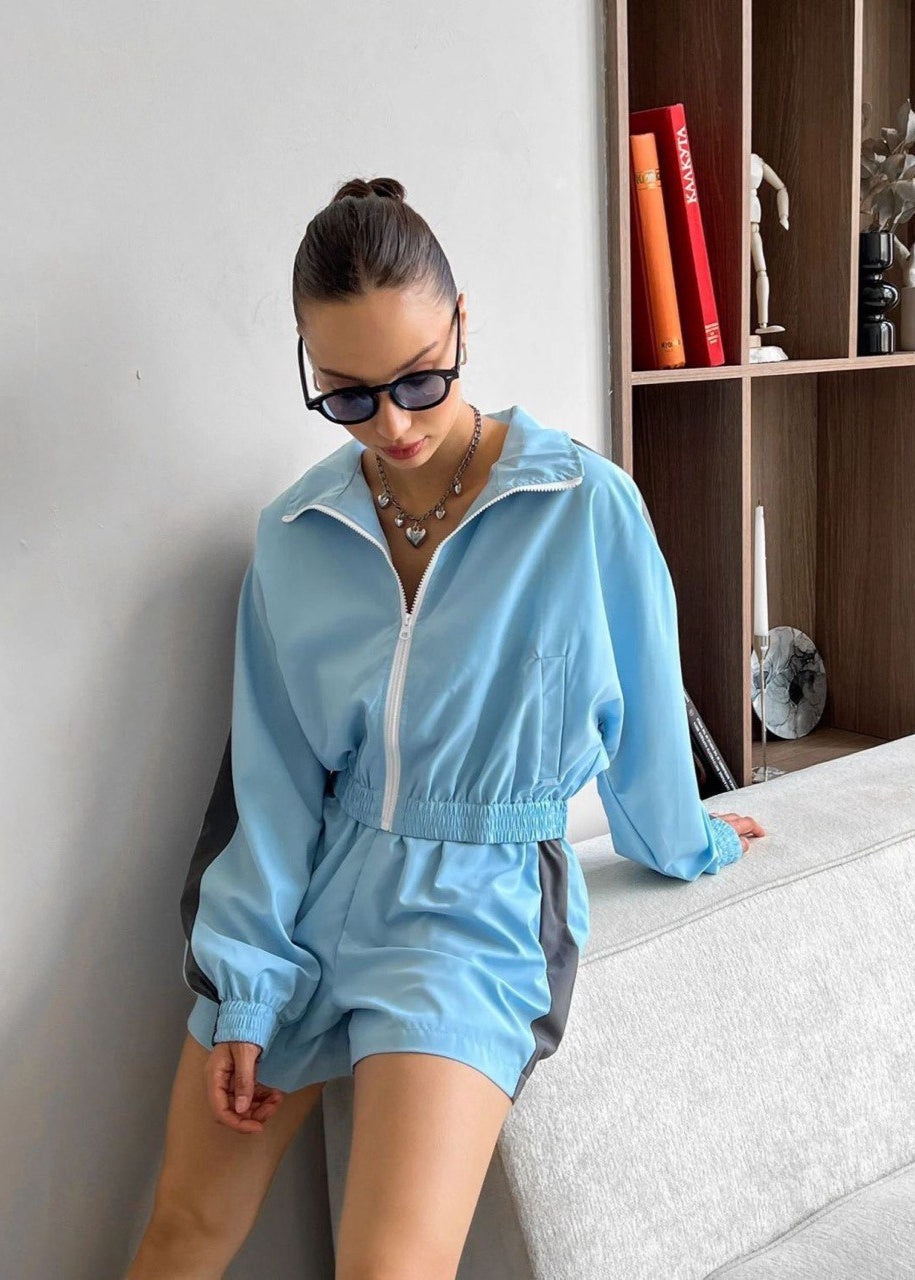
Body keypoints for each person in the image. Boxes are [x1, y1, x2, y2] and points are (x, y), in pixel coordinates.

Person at [127, 175, 765, 1280]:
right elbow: (270, 789)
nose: (394, 424)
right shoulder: (296, 533)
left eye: (420, 378)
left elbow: (648, 729)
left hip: (477, 905)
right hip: (314, 895)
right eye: (348, 396)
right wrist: (246, 987)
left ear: (462, 323)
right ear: (308, 366)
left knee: (388, 1268)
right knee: (181, 1234)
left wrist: (693, 839)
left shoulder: (582, 504)